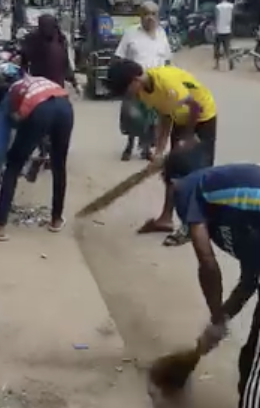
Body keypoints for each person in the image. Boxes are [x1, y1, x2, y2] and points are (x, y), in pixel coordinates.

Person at [163, 151, 260, 408]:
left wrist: (216, 317)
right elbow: (252, 277)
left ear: (172, 183)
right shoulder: (235, 204)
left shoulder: (192, 187)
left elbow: (206, 262)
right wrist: (222, 318)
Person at [105, 59, 217, 247]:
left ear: (135, 80)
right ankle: (165, 219)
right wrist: (159, 150)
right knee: (172, 170)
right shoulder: (144, 92)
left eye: (126, 91)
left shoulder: (167, 85)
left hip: (201, 117)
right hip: (180, 117)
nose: (127, 96)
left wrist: (188, 139)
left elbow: (194, 107)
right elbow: (165, 115)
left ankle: (192, 226)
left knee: (194, 172)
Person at [0, 75, 73, 241]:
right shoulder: (27, 83)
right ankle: (56, 220)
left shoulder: (7, 103)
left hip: (41, 110)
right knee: (59, 165)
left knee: (13, 166)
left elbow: (1, 142)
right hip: (65, 107)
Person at [114, 1, 172, 161]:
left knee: (152, 118)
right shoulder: (130, 33)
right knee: (132, 115)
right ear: (140, 16)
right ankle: (129, 145)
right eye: (146, 14)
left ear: (158, 17)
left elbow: (167, 60)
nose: (149, 18)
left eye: (153, 14)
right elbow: (119, 58)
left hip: (155, 85)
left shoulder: (162, 34)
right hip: (135, 83)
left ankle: (146, 148)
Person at [21, 14, 80, 91]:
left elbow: (65, 64)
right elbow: (24, 62)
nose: (47, 29)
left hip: (56, 86)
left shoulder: (60, 39)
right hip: (39, 86)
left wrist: (75, 84)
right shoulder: (32, 39)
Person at [214, 0, 234, 70]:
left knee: (217, 48)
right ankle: (230, 63)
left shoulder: (218, 7)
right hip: (227, 30)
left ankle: (217, 64)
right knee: (227, 48)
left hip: (219, 30)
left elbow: (217, 18)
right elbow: (232, 18)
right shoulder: (231, 6)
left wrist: (215, 29)